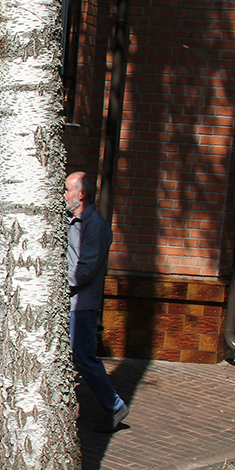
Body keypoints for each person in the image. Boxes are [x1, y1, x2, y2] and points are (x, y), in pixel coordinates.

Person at [66, 171, 129, 432]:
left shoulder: (95, 226)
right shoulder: (69, 221)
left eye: (67, 190)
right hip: (67, 303)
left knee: (83, 357)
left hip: (81, 306)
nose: (64, 195)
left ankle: (114, 405)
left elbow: (85, 270)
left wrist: (53, 284)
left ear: (81, 194)